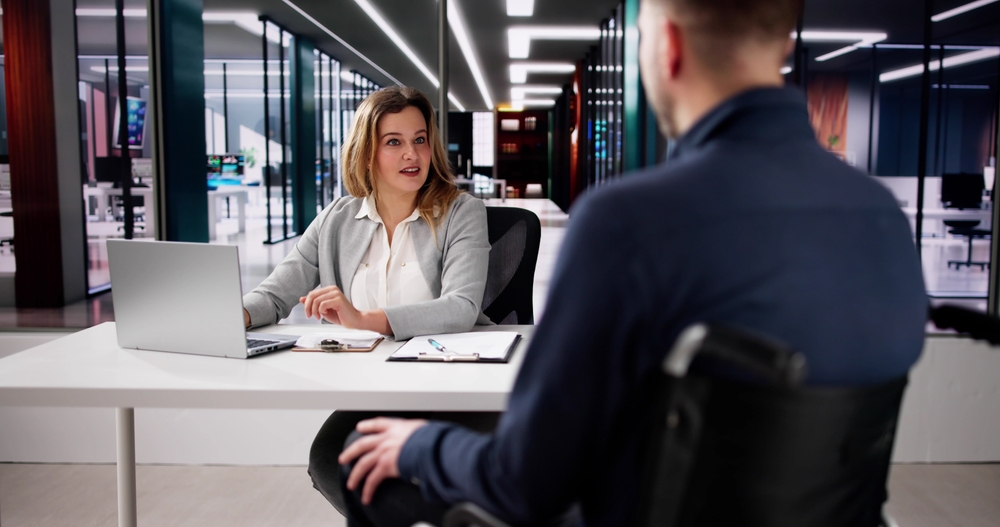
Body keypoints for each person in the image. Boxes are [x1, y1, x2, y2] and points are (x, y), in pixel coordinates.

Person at [336, 0, 929, 526]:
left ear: (667, 46)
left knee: (366, 465)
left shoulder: (631, 222)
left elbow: (524, 482)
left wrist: (421, 446)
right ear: (782, 44)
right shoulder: (882, 217)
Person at [241, 86, 497, 519]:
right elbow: (274, 292)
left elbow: (460, 306)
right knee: (330, 463)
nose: (411, 154)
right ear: (366, 154)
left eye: (419, 139)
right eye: (393, 142)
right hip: (375, 387)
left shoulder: (461, 211)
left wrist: (364, 319)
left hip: (455, 383)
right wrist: (235, 314)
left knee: (415, 482)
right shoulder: (338, 218)